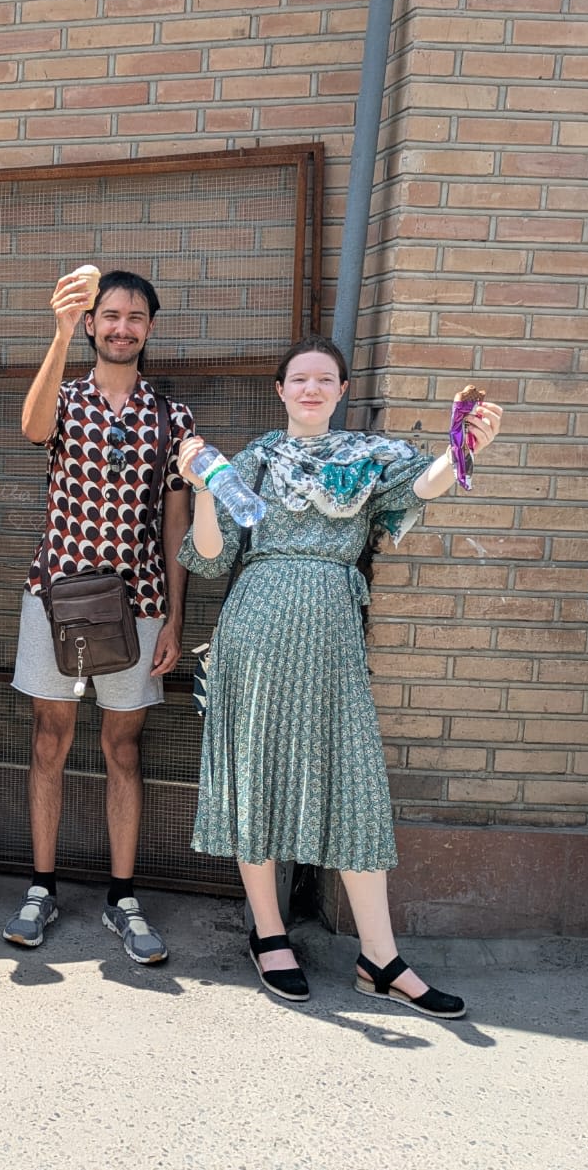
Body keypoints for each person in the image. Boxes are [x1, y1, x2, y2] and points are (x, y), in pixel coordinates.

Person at [178, 333, 502, 1017]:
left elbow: (422, 485)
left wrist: (463, 448)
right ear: (281, 390)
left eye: (324, 378)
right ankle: (268, 932)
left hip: (330, 636)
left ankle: (380, 956)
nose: (311, 388)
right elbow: (209, 557)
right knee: (257, 772)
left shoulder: (369, 456)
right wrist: (201, 488)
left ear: (341, 389)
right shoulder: (256, 460)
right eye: (299, 378)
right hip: (256, 632)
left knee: (354, 781)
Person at [3, 267, 195, 961]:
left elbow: (177, 522)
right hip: (56, 595)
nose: (121, 327)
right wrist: (56, 334)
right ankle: (41, 886)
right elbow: (31, 428)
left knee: (123, 748)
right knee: (48, 742)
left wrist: (175, 616)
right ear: (91, 323)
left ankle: (122, 896)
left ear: (149, 326)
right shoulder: (68, 394)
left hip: (138, 603)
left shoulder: (171, 416)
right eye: (109, 315)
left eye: (135, 316)